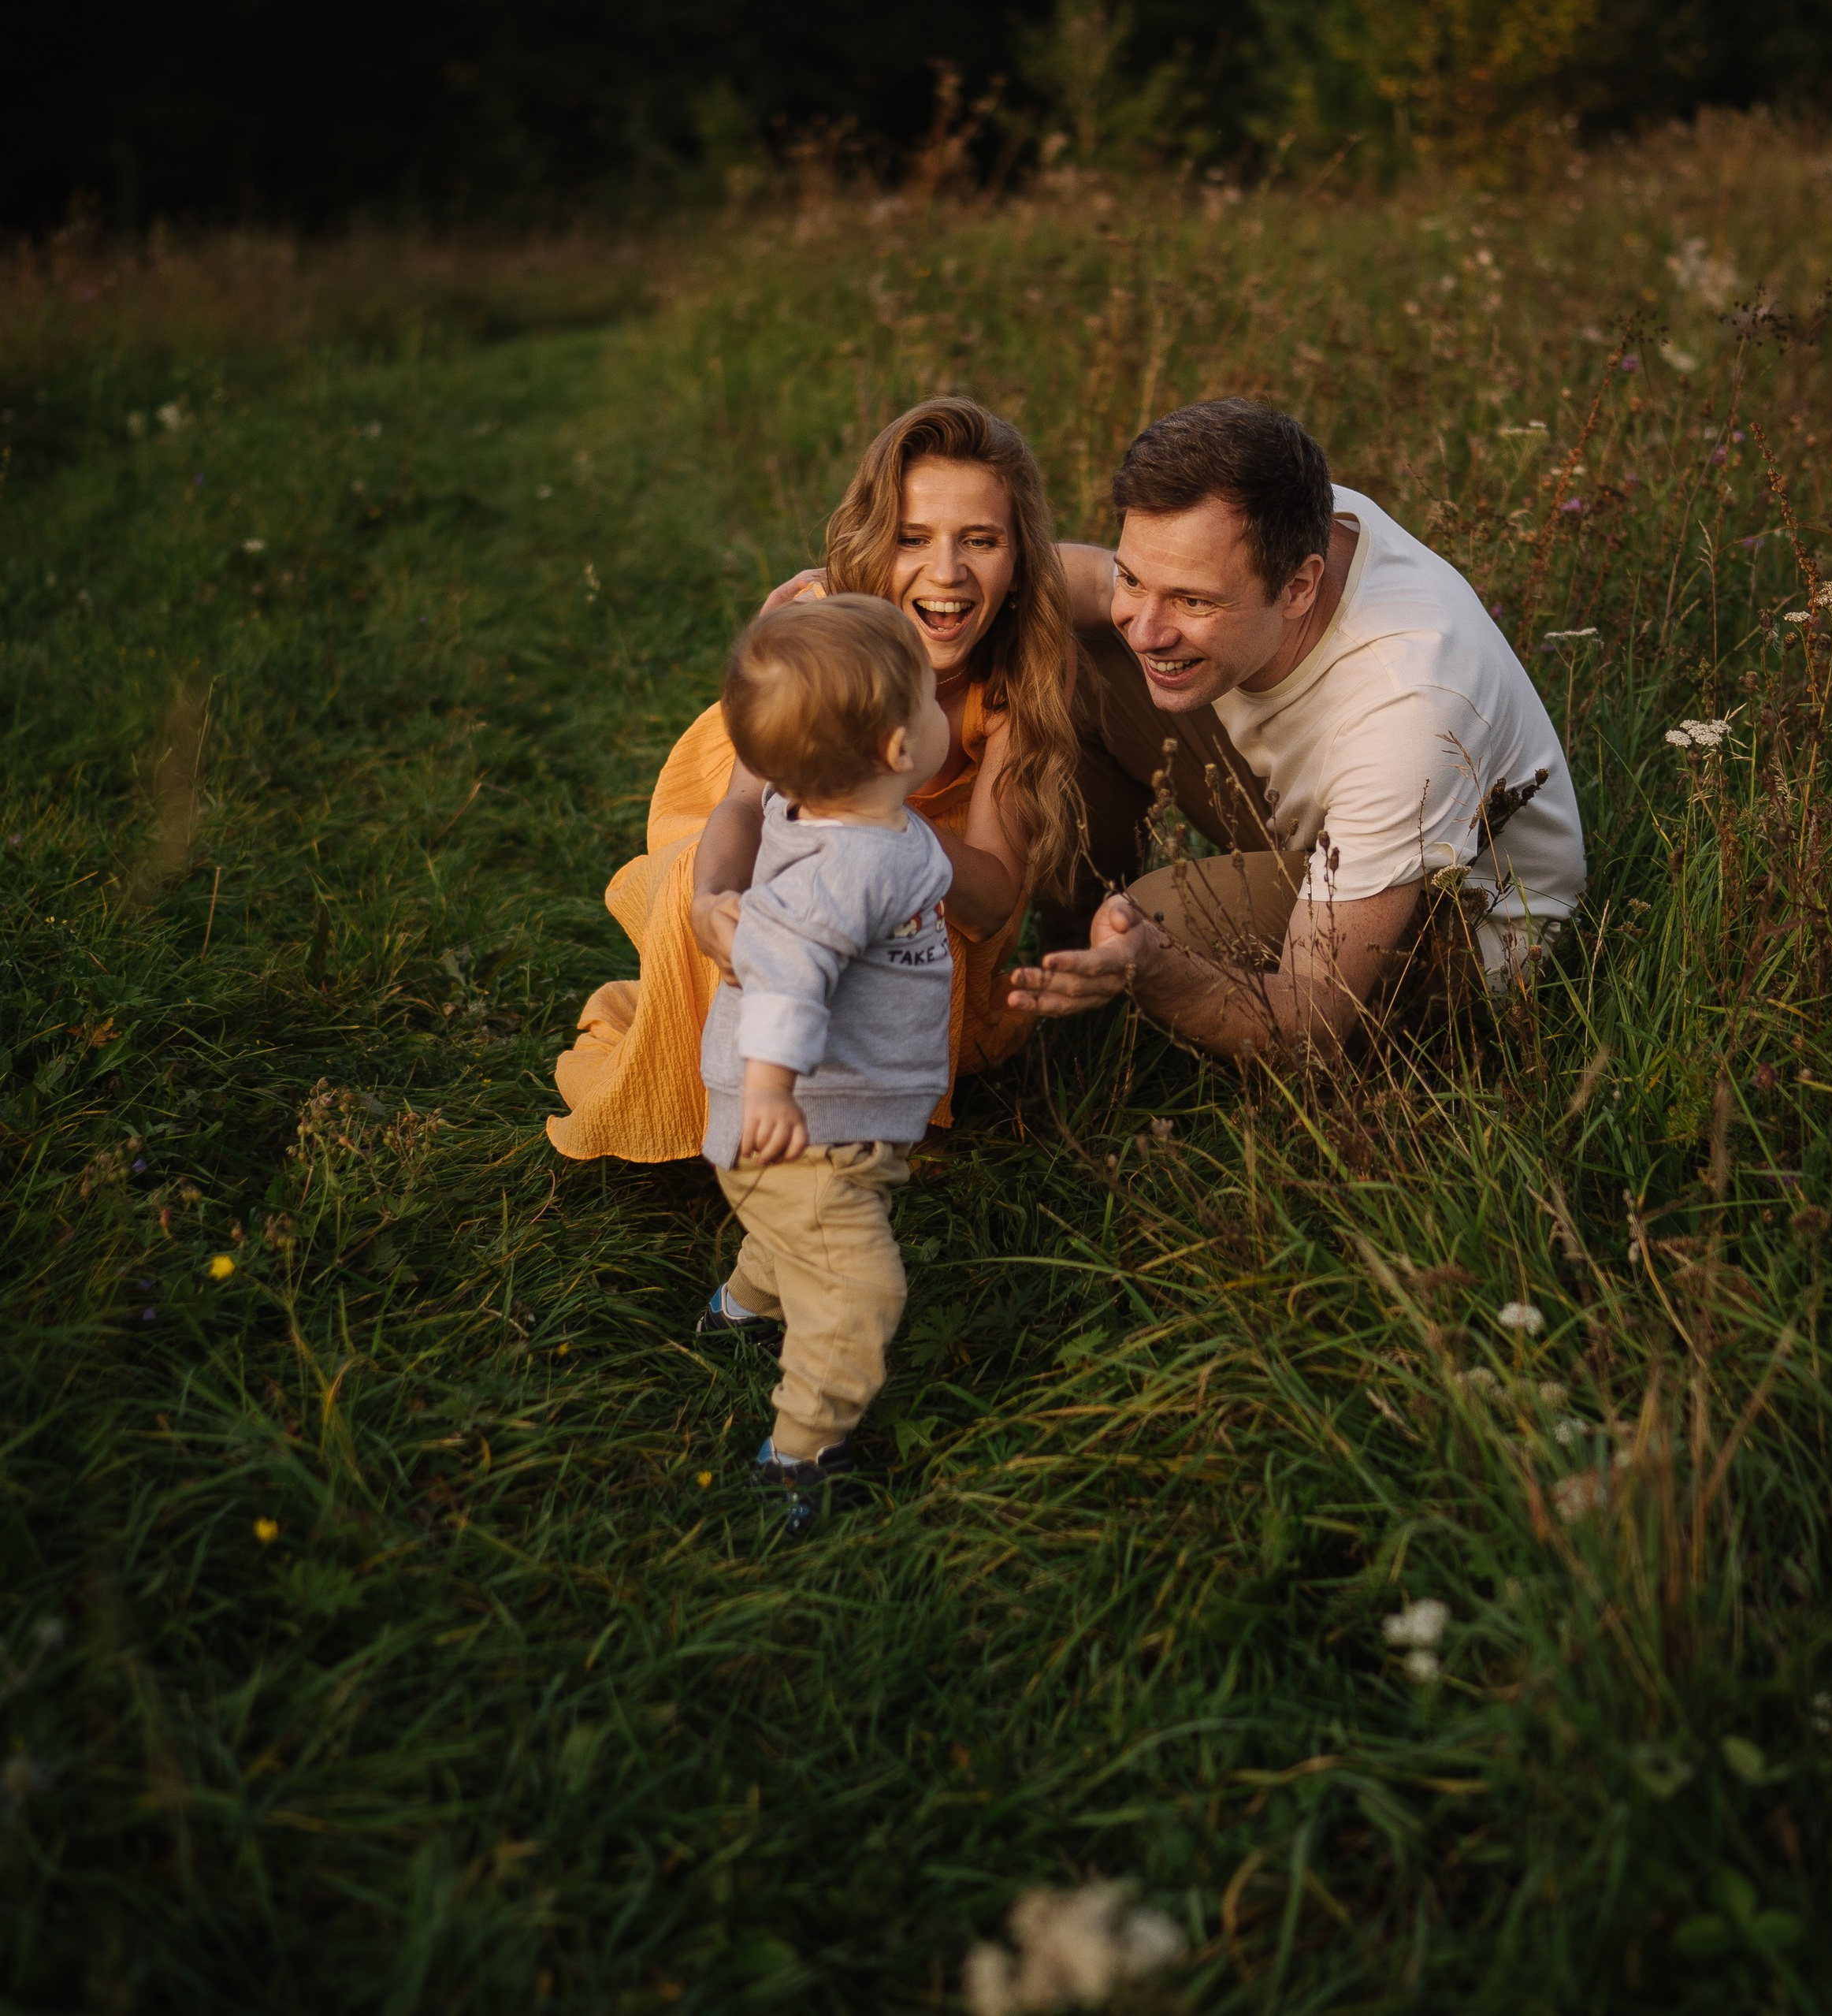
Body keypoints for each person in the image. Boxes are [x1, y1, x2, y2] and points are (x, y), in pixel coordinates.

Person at [547, 397, 1079, 1164]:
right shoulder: (824, 622)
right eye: (912, 538)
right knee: (729, 891)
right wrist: (708, 899)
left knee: (892, 920)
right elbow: (740, 803)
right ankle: (723, 1100)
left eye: (981, 540)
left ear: (1019, 555)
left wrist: (879, 814)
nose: (947, 571)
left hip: (934, 882)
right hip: (780, 820)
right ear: (876, 539)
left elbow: (992, 898)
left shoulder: (1025, 663)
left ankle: (831, 1110)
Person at [1008, 398, 1586, 1053]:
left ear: (1298, 587)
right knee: (1079, 659)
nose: (1147, 630)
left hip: (1454, 935)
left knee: (1164, 913)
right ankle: (1065, 981)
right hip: (1333, 827)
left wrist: (1157, 965)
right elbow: (1083, 582)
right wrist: (938, 592)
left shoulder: (1410, 708)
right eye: (1135, 581)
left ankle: (1123, 962)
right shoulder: (1282, 515)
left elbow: (1307, 1022)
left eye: (1193, 600)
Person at [695, 594, 955, 1526]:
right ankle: (799, 1452)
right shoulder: (847, 868)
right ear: (896, 749)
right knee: (856, 1290)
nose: (943, 711)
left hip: (825, 1119)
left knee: (791, 1234)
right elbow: (784, 968)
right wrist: (769, 1083)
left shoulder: (834, 820)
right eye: (930, 699)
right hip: (805, 1119)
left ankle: (740, 1310)